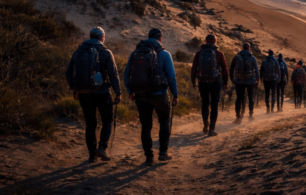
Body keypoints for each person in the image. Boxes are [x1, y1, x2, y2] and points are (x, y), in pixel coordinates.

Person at [123, 28, 179, 166]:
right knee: (164, 122)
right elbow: (171, 77)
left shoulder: (135, 53)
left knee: (146, 126)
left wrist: (130, 91)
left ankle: (149, 157)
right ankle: (163, 153)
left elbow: (126, 75)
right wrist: (175, 94)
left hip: (141, 95)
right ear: (160, 38)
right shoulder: (165, 54)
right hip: (160, 95)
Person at [65, 27, 121, 163]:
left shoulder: (78, 52)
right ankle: (102, 148)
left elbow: (68, 73)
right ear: (102, 37)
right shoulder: (106, 52)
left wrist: (75, 88)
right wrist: (118, 92)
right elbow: (113, 75)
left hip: (84, 94)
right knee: (107, 121)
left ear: (90, 37)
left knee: (90, 124)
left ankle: (91, 155)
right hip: (102, 93)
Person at [190, 34, 229, 137]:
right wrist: (225, 82)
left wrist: (193, 80)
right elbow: (225, 69)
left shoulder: (199, 53)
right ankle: (212, 129)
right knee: (214, 105)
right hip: (216, 81)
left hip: (203, 82)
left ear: (206, 41)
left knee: (205, 104)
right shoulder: (219, 54)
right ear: (215, 41)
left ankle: (205, 123)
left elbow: (194, 67)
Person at [229, 43, 259, 121]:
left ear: (242, 48)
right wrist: (257, 79)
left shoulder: (236, 57)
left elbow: (231, 69)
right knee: (251, 98)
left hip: (239, 81)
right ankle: (250, 115)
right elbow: (256, 70)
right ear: (249, 48)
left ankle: (238, 117)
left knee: (239, 98)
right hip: (251, 81)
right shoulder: (253, 58)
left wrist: (233, 80)